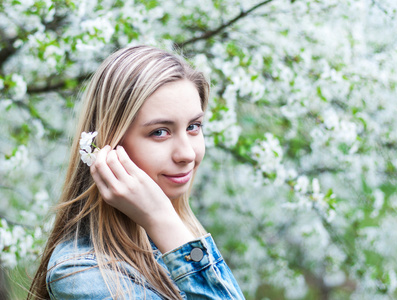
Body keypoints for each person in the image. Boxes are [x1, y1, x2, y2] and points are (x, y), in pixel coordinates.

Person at [28, 45, 245, 299]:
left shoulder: (176, 236)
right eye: (159, 132)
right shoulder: (80, 273)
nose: (187, 154)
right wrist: (161, 219)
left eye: (194, 126)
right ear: (109, 146)